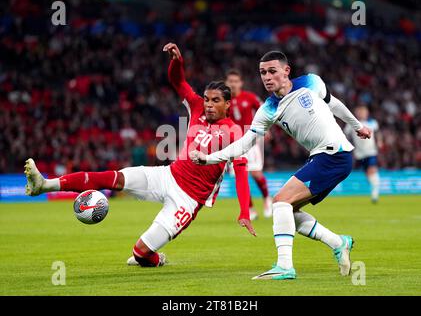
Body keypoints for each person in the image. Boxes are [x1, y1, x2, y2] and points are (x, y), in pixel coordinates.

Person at [24, 42, 255, 268]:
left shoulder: (235, 132)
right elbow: (178, 81)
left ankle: (156, 259)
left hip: (188, 199)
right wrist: (177, 62)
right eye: (207, 99)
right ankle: (44, 184)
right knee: (112, 178)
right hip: (167, 175)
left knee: (141, 253)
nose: (208, 105)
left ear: (227, 104)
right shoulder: (196, 107)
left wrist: (244, 211)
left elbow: (242, 171)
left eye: (215, 101)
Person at [190, 51, 371, 280]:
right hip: (322, 157)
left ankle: (285, 266)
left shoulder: (311, 82)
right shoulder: (268, 109)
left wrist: (357, 126)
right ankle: (338, 242)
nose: (267, 77)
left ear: (286, 71)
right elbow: (244, 144)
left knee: (280, 201)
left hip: (334, 154)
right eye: (263, 72)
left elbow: (333, 104)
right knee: (288, 210)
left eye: (272, 71)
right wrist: (209, 158)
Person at [225, 69, 272, 220]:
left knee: (256, 173)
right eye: (230, 81)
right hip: (233, 143)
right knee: (241, 176)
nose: (232, 84)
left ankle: (266, 199)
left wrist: (265, 129)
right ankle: (250, 209)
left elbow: (265, 110)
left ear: (241, 83)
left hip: (250, 139)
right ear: (226, 83)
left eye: (235, 81)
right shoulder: (222, 101)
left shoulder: (249, 97)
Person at [344, 105, 381, 203]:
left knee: (372, 170)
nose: (362, 114)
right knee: (368, 173)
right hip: (359, 154)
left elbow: (377, 134)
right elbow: (346, 135)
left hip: (371, 151)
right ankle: (374, 188)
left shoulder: (372, 123)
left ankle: (375, 194)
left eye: (364, 112)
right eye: (360, 112)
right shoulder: (351, 124)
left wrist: (380, 142)